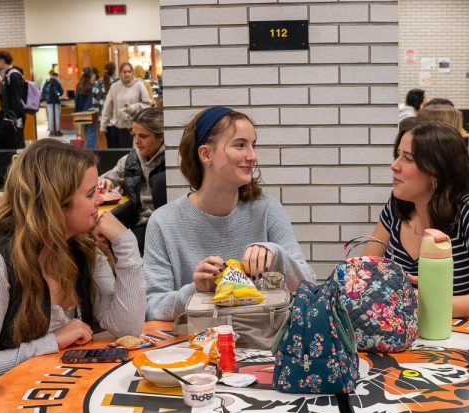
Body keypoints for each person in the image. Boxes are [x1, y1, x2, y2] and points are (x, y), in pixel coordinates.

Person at [0, 138, 146, 375]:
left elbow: (128, 329)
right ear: (55, 203)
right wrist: (50, 343)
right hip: (6, 406)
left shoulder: (83, 249)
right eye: (90, 194)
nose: (100, 201)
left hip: (62, 395)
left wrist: (126, 245)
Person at [143, 107, 314, 321]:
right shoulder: (163, 221)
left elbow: (308, 285)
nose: (252, 156)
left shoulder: (267, 209)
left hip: (263, 345)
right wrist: (196, 289)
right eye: (240, 145)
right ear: (206, 154)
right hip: (196, 348)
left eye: (253, 145)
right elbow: (153, 307)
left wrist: (275, 254)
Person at [362, 121, 469, 317]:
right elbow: (362, 275)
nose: (394, 165)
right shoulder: (396, 208)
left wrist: (431, 304)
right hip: (406, 338)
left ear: (436, 172)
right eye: (397, 155)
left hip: (464, 339)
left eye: (408, 158)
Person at [99, 107, 165, 250]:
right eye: (134, 135)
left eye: (143, 136)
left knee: (124, 245)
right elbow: (108, 178)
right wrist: (107, 182)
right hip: (135, 220)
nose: (137, 141)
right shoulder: (131, 159)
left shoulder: (172, 162)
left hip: (159, 226)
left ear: (161, 137)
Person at [100, 62, 153, 149]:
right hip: (117, 127)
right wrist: (103, 125)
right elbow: (107, 107)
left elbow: (147, 104)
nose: (127, 74)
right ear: (120, 73)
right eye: (124, 72)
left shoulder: (139, 85)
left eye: (129, 71)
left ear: (132, 73)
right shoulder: (114, 87)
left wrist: (134, 107)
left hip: (134, 127)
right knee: (116, 155)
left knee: (131, 154)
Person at [0, 50, 28, 129]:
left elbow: (17, 98)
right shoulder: (8, 75)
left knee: (17, 139)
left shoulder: (14, 75)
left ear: (2, 60)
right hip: (10, 114)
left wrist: (15, 118)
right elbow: (8, 96)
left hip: (16, 116)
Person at [93, 61, 116, 146]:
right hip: (114, 119)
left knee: (109, 143)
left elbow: (94, 102)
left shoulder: (97, 83)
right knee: (116, 144)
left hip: (102, 119)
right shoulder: (116, 83)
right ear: (114, 71)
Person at [75, 67, 98, 149]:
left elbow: (77, 101)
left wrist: (77, 112)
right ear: (91, 75)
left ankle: (88, 153)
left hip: (82, 114)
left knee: (87, 134)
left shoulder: (79, 86)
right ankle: (91, 154)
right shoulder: (94, 86)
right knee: (92, 136)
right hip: (91, 114)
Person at [42, 70, 63, 137]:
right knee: (57, 117)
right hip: (56, 102)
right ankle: (57, 131)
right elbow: (61, 92)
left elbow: (43, 92)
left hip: (49, 103)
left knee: (50, 117)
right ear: (55, 76)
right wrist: (58, 95)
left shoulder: (47, 82)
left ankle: (51, 132)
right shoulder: (57, 82)